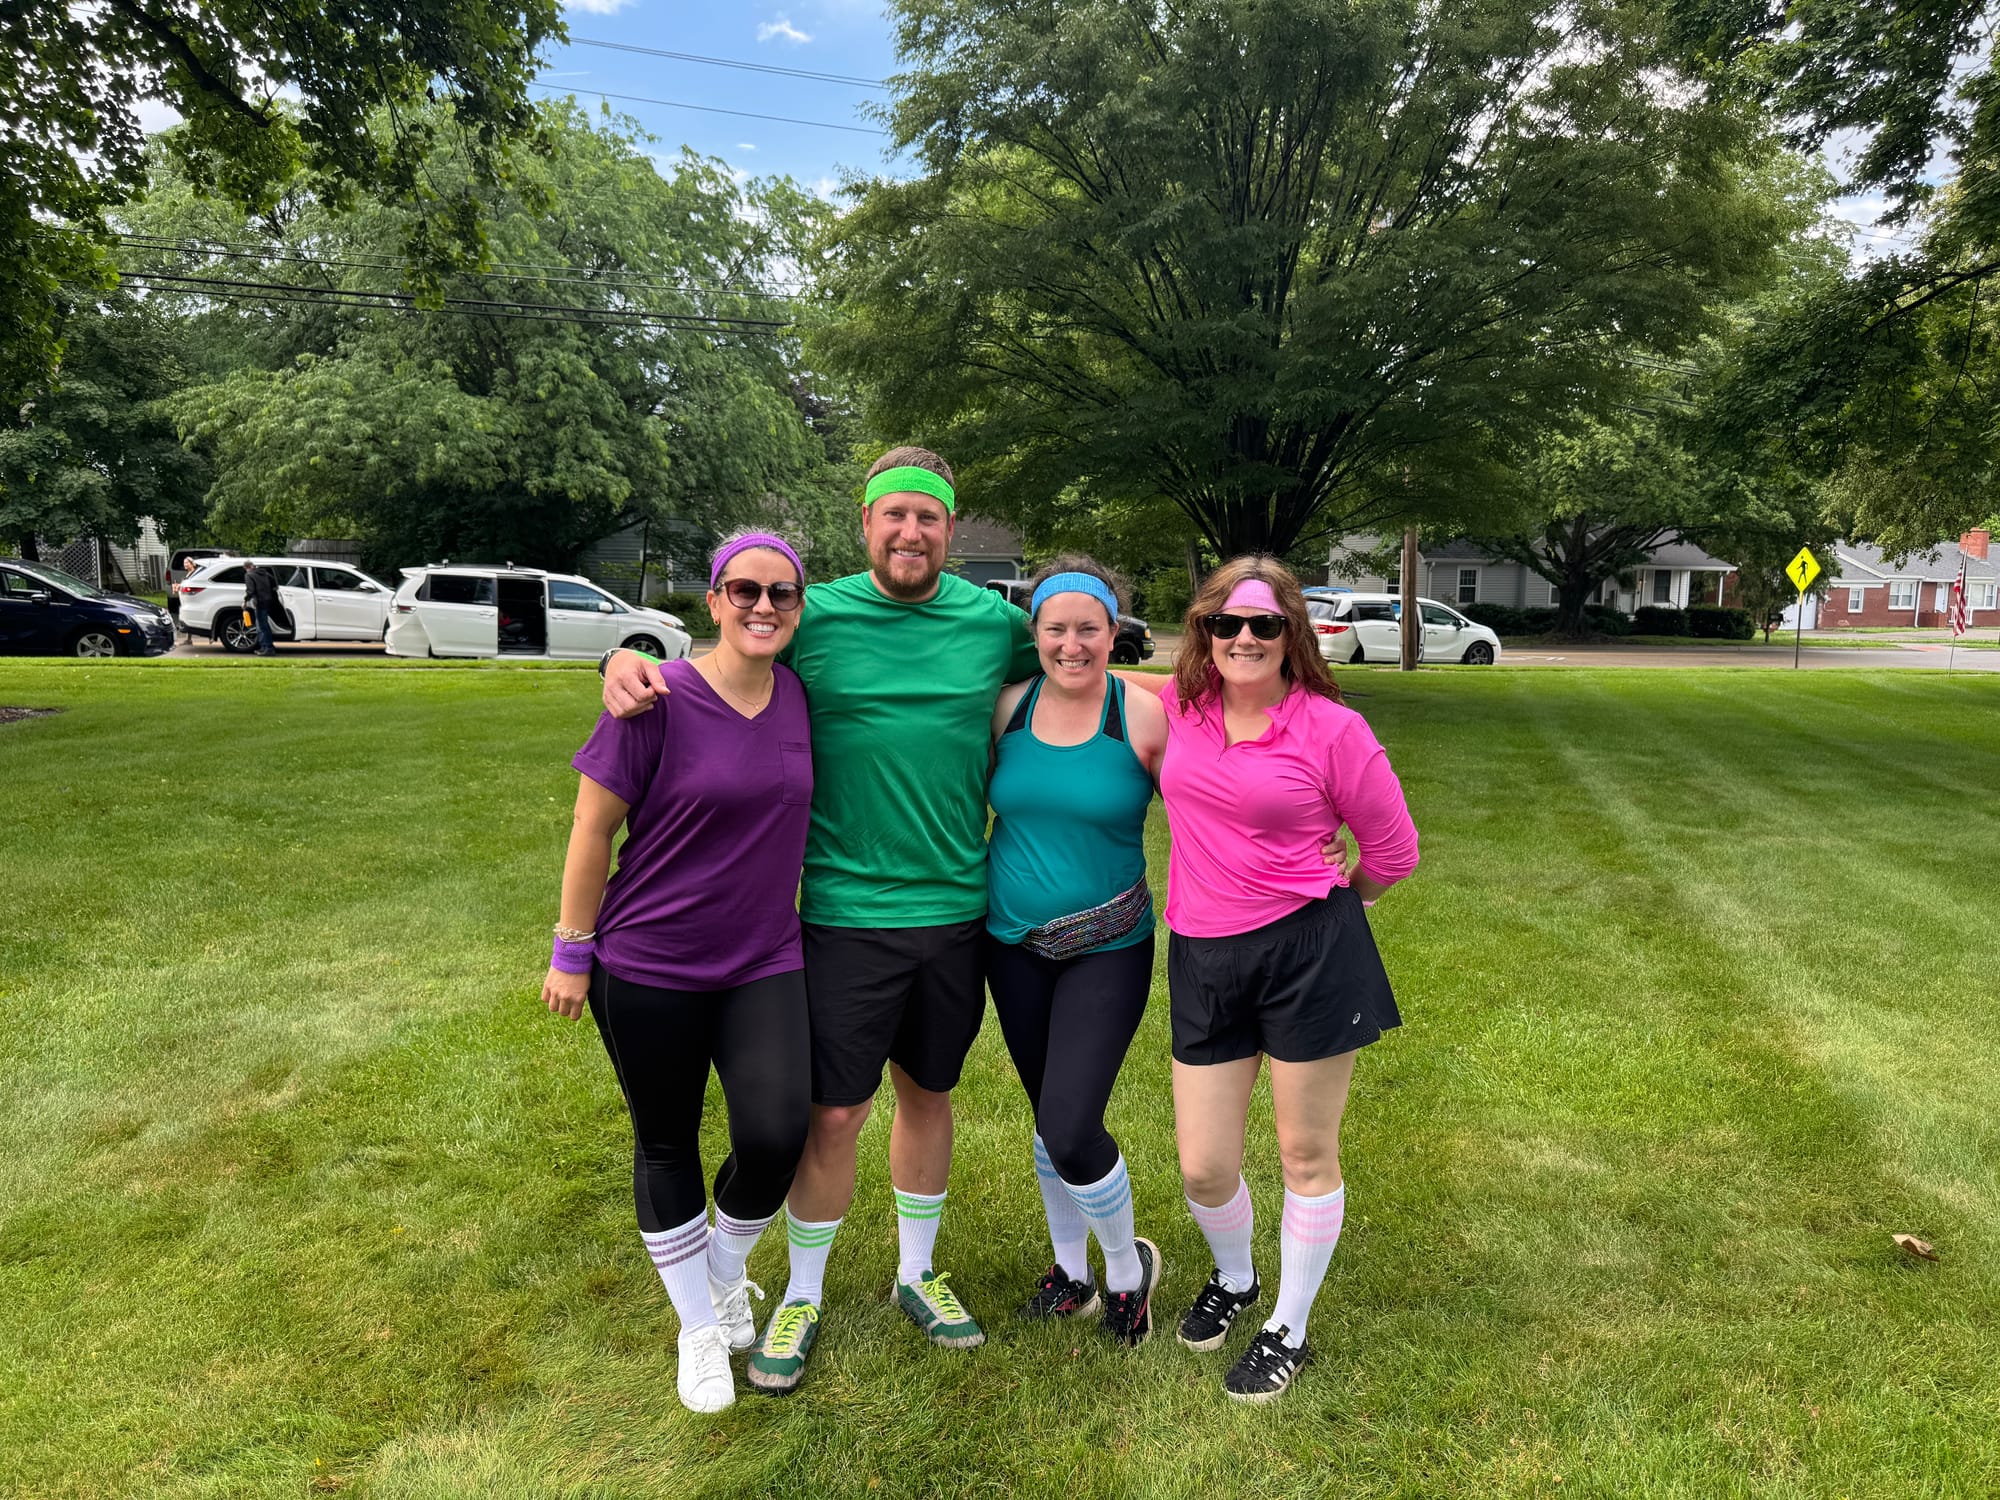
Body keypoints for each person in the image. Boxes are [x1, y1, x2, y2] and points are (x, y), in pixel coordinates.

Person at [599, 447, 1039, 1395]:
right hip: (841, 914)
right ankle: (800, 1290)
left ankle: (920, 1274)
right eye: (895, 516)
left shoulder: (996, 625)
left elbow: (1085, 665)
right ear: (866, 524)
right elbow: (722, 655)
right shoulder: (815, 615)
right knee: (833, 1111)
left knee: (930, 1093)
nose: (911, 533)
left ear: (951, 531)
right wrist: (627, 658)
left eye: (929, 518)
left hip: (959, 909)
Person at [1134, 556, 1419, 1403]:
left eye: (1265, 624)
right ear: (1204, 634)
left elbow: (1394, 853)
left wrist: (1337, 889)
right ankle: (1236, 1277)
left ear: (1292, 634)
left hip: (1311, 956)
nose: (1246, 638)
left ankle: (1287, 1325)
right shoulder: (1179, 709)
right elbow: (1071, 655)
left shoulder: (1334, 728)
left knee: (1304, 1151)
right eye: (1228, 624)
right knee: (1204, 1167)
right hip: (1203, 954)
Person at [543, 531, 815, 1414]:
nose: (762, 606)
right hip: (650, 960)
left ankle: (724, 1276)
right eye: (743, 590)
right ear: (713, 600)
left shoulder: (800, 697)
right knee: (666, 1140)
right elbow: (592, 831)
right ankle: (698, 1328)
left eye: (780, 593)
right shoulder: (655, 700)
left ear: (799, 607)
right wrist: (570, 952)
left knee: (776, 1135)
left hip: (765, 957)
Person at [984, 555, 1171, 1346]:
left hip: (1109, 945)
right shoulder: (1007, 709)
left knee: (1070, 1122)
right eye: (1055, 629)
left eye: (1087, 629)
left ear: (1113, 630)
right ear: (1036, 633)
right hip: (1011, 942)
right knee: (1044, 1115)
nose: (1071, 644)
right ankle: (1072, 1274)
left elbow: (1213, 808)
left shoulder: (1145, 715)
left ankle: (1129, 1274)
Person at [242, 559, 280, 655]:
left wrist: (245, 601)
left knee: (262, 626)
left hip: (259, 602)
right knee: (262, 624)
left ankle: (268, 648)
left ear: (246, 568)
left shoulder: (249, 575)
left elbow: (250, 590)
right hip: (268, 600)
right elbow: (274, 583)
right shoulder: (265, 573)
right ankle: (264, 646)